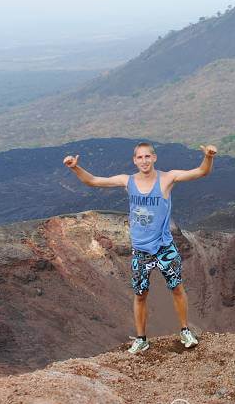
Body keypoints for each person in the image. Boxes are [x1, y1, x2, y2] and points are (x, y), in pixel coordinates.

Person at [63, 142, 217, 354]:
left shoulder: (167, 178)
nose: (144, 161)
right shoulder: (128, 181)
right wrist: (75, 167)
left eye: (147, 157)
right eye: (140, 157)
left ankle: (185, 330)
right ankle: (142, 338)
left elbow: (201, 172)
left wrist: (208, 157)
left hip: (164, 247)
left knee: (177, 288)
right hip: (141, 251)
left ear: (154, 158)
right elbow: (94, 181)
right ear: (135, 160)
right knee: (140, 294)